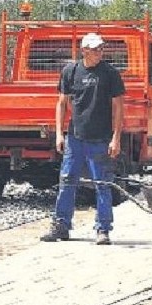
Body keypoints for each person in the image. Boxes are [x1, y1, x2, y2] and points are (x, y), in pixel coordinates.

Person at [40, 32, 125, 245]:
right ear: (84, 50)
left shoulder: (110, 74)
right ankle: (61, 225)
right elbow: (61, 103)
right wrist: (60, 133)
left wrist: (116, 138)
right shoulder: (70, 71)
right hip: (75, 138)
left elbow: (118, 106)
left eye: (101, 48)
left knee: (102, 183)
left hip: (100, 138)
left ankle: (103, 229)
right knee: (67, 180)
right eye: (95, 49)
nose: (100, 52)